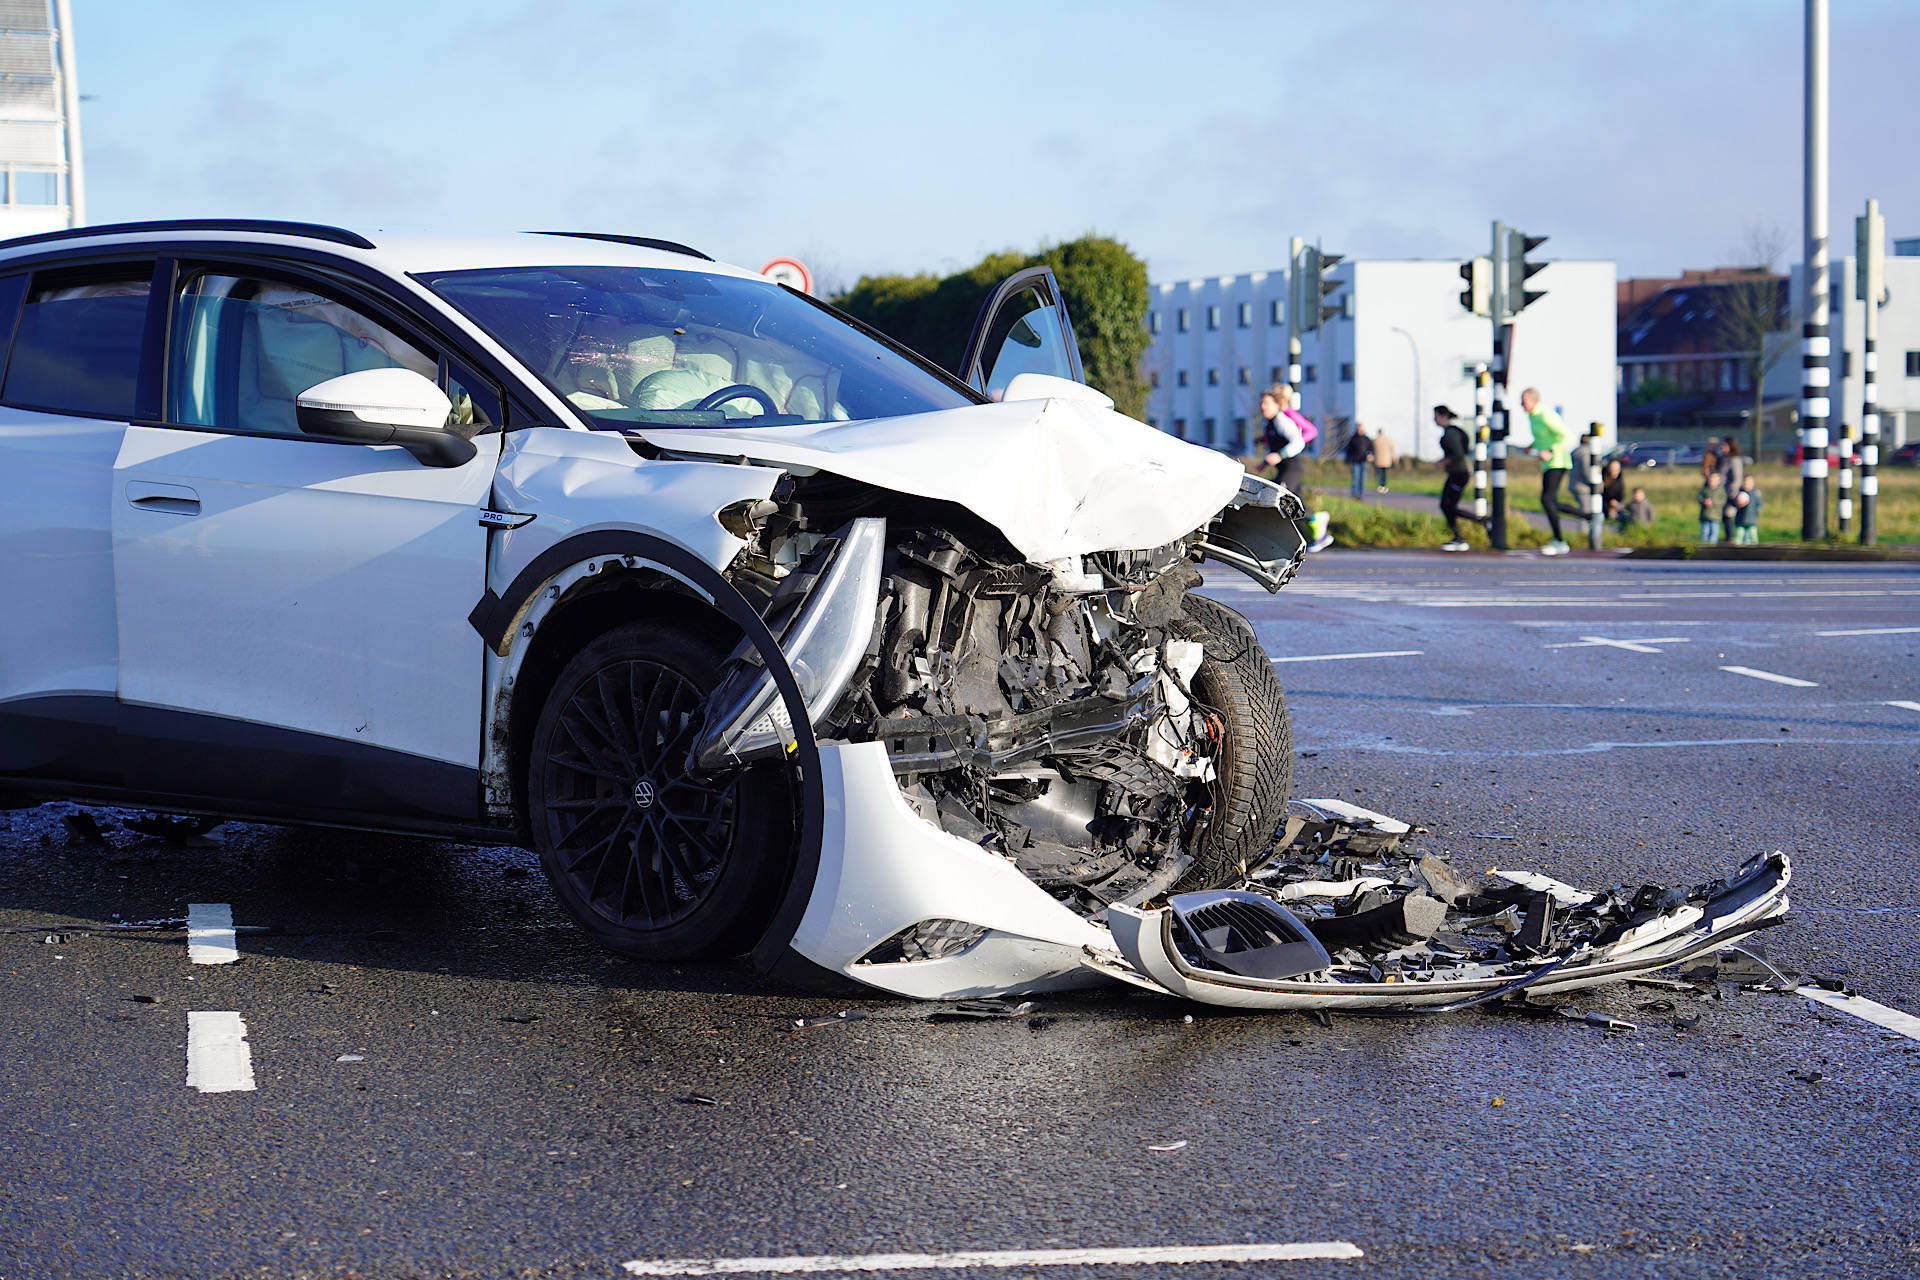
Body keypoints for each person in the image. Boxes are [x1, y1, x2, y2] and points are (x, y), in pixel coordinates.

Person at [1520, 387, 1582, 555]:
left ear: (1533, 400)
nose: (1521, 405)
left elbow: (1567, 436)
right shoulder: (1533, 417)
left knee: (1547, 500)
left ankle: (1560, 541)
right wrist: (1531, 446)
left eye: (1523, 401)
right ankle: (1588, 516)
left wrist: (1550, 451)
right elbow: (1543, 438)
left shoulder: (1545, 414)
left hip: (1558, 461)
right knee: (1550, 501)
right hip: (1548, 464)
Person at [1259, 385, 1317, 496]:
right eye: (1261, 403)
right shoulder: (1269, 423)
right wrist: (1265, 463)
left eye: (1266, 403)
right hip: (1283, 468)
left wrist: (1280, 454)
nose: (1263, 407)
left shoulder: (1282, 420)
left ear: (1277, 404)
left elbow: (1299, 442)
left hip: (1292, 468)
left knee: (1277, 497)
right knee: (1297, 505)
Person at [1435, 405, 1473, 551]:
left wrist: (1444, 461)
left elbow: (1458, 454)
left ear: (1443, 416)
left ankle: (1482, 522)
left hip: (1460, 473)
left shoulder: (1451, 433)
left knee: (1448, 506)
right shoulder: (1451, 431)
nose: (1434, 420)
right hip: (1456, 473)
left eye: (1436, 416)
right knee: (1447, 505)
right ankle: (1458, 537)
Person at [1720, 439, 1745, 541]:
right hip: (1722, 491)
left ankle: (1731, 537)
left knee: (1728, 514)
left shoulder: (1734, 460)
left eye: (1724, 446)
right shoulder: (1724, 459)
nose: (1722, 448)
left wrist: (1731, 492)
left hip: (1729, 493)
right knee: (1724, 514)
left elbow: (1737, 478)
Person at [1342, 424, 1373, 498]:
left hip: (1364, 461)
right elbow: (1349, 450)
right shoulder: (1353, 439)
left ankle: (1360, 494)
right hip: (1355, 461)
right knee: (1355, 478)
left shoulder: (1366, 439)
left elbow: (1371, 449)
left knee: (1362, 478)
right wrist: (1348, 459)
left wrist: (1370, 455)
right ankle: (1355, 493)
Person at [1733, 474, 1762, 544]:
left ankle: (1755, 547)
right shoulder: (1739, 493)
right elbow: (1734, 504)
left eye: (1749, 484)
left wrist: (1757, 512)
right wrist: (1737, 503)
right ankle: (1737, 548)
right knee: (1739, 535)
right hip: (1740, 520)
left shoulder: (1756, 494)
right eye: (1745, 484)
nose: (1747, 485)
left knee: (1753, 535)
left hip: (1752, 520)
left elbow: (1760, 504)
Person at [1697, 471, 1725, 543]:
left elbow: (1722, 501)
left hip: (1716, 516)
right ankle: (1704, 545)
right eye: (1711, 480)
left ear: (1718, 481)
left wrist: (1713, 503)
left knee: (1714, 532)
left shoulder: (1721, 490)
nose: (1712, 482)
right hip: (1705, 515)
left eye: (1715, 481)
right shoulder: (1705, 489)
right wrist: (1704, 501)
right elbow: (1699, 497)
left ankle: (1713, 545)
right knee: (1705, 532)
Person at [1601, 458, 1626, 525]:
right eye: (1612, 469)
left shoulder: (1619, 480)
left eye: (1617, 469)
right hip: (1604, 506)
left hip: (1615, 505)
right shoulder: (1602, 480)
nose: (1614, 472)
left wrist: (1615, 503)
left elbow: (1621, 495)